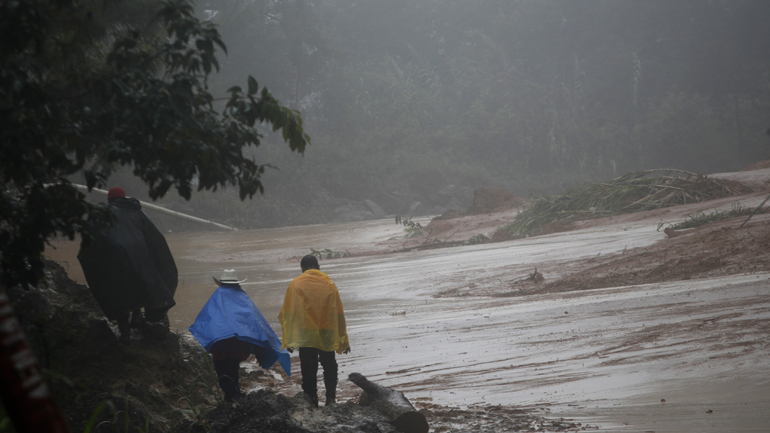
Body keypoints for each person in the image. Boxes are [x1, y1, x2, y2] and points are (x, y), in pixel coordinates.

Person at [77, 187, 177, 344]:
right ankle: (137, 316)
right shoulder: (136, 212)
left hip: (114, 261)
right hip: (139, 260)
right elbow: (155, 238)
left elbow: (90, 239)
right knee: (137, 285)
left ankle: (125, 334)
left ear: (110, 199)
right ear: (124, 198)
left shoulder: (100, 214)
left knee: (119, 293)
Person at [189, 269, 290, 402]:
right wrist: (259, 348)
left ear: (221, 283)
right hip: (238, 344)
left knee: (223, 369)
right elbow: (254, 322)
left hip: (222, 343)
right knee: (233, 367)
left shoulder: (218, 295)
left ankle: (232, 396)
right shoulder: (242, 296)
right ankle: (233, 394)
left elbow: (209, 318)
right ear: (236, 283)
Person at [279, 255, 350, 407]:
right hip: (326, 332)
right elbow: (338, 312)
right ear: (319, 268)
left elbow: (288, 313)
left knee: (308, 367)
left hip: (306, 334)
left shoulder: (295, 284)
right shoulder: (329, 283)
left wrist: (289, 337)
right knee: (329, 364)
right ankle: (331, 398)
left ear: (302, 269)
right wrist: (343, 339)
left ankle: (312, 400)